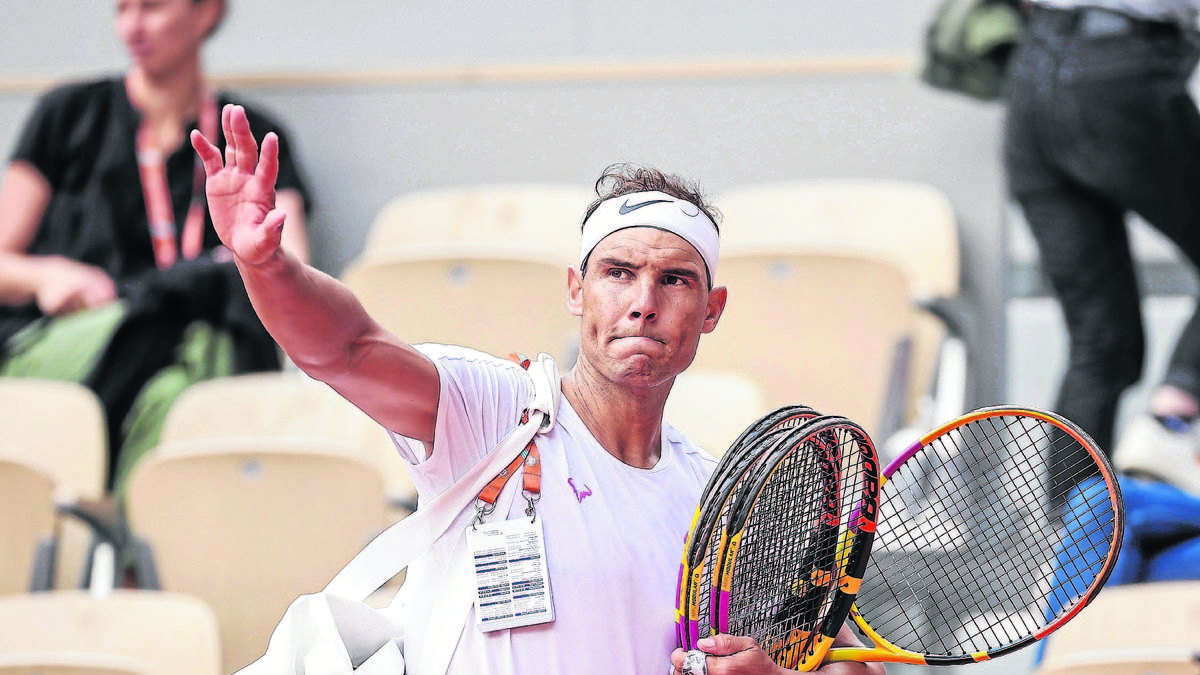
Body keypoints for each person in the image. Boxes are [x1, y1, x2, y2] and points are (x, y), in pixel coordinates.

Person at [192, 104, 883, 675]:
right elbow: (344, 348)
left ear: (712, 309)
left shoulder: (720, 503)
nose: (643, 301)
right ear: (577, 292)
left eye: (674, 280)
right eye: (618, 273)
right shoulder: (493, 415)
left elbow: (851, 665)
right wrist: (269, 267)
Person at [0, 0, 311, 493]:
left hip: (185, 351)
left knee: (178, 395)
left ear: (206, 12)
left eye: (151, 6)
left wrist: (248, 259)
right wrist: (49, 275)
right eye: (121, 9)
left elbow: (294, 270)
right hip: (72, 332)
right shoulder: (70, 113)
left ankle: (128, 567)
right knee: (208, 333)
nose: (131, 26)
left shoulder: (249, 134)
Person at [1001, 1, 1200, 508]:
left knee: (1100, 344)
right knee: (1101, 343)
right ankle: (1171, 424)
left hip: (1033, 74)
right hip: (1120, 66)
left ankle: (1076, 549)